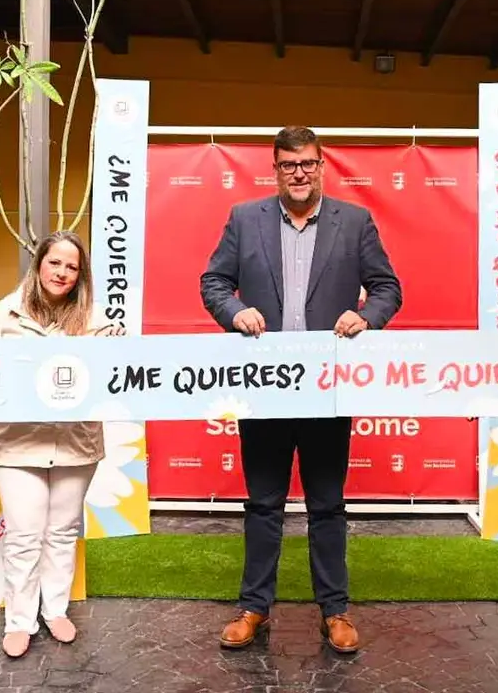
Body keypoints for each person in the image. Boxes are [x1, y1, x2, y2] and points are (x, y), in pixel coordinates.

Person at [200, 125, 402, 653]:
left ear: (321, 166)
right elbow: (213, 282)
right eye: (289, 165)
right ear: (275, 168)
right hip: (264, 391)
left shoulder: (354, 221)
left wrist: (367, 318)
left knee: (327, 505)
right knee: (262, 503)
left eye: (308, 163)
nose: (299, 173)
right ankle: (254, 608)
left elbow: (387, 288)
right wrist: (234, 310)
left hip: (327, 393)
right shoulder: (246, 219)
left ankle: (335, 611)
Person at [0, 230, 123, 658]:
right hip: (17, 443)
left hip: (75, 443)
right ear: (39, 263)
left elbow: (113, 378)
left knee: (62, 531)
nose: (62, 272)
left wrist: (121, 348)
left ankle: (55, 610)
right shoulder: (3, 314)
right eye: (55, 262)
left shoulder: (96, 322)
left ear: (81, 275)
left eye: (71, 266)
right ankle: (20, 620)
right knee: (24, 534)